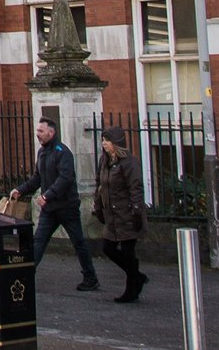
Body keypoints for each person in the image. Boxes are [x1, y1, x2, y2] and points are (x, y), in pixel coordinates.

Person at [10, 118, 100, 292]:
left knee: (78, 242)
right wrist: (20, 190)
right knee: (38, 241)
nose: (37, 135)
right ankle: (26, 274)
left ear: (51, 133)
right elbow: (37, 178)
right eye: (37, 131)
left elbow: (65, 179)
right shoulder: (42, 153)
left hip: (66, 207)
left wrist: (47, 195)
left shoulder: (63, 152)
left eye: (41, 131)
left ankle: (90, 276)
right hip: (50, 209)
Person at [93, 125, 148, 302]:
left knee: (127, 251)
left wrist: (136, 210)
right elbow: (99, 185)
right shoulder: (104, 161)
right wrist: (98, 205)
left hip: (127, 214)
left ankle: (132, 289)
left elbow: (136, 187)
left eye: (107, 141)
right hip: (112, 216)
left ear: (116, 143)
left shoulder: (129, 162)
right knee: (108, 249)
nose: (104, 144)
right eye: (103, 140)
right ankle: (137, 275)